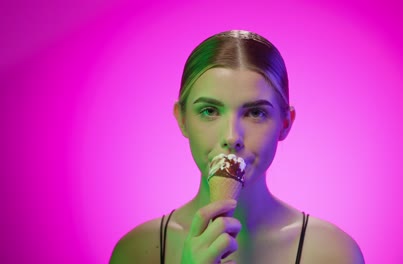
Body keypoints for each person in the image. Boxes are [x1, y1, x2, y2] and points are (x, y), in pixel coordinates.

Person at [110, 30, 364, 264]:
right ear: (182, 119)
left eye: (255, 112)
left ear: (285, 123)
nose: (232, 137)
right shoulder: (136, 251)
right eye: (209, 111)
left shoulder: (333, 252)